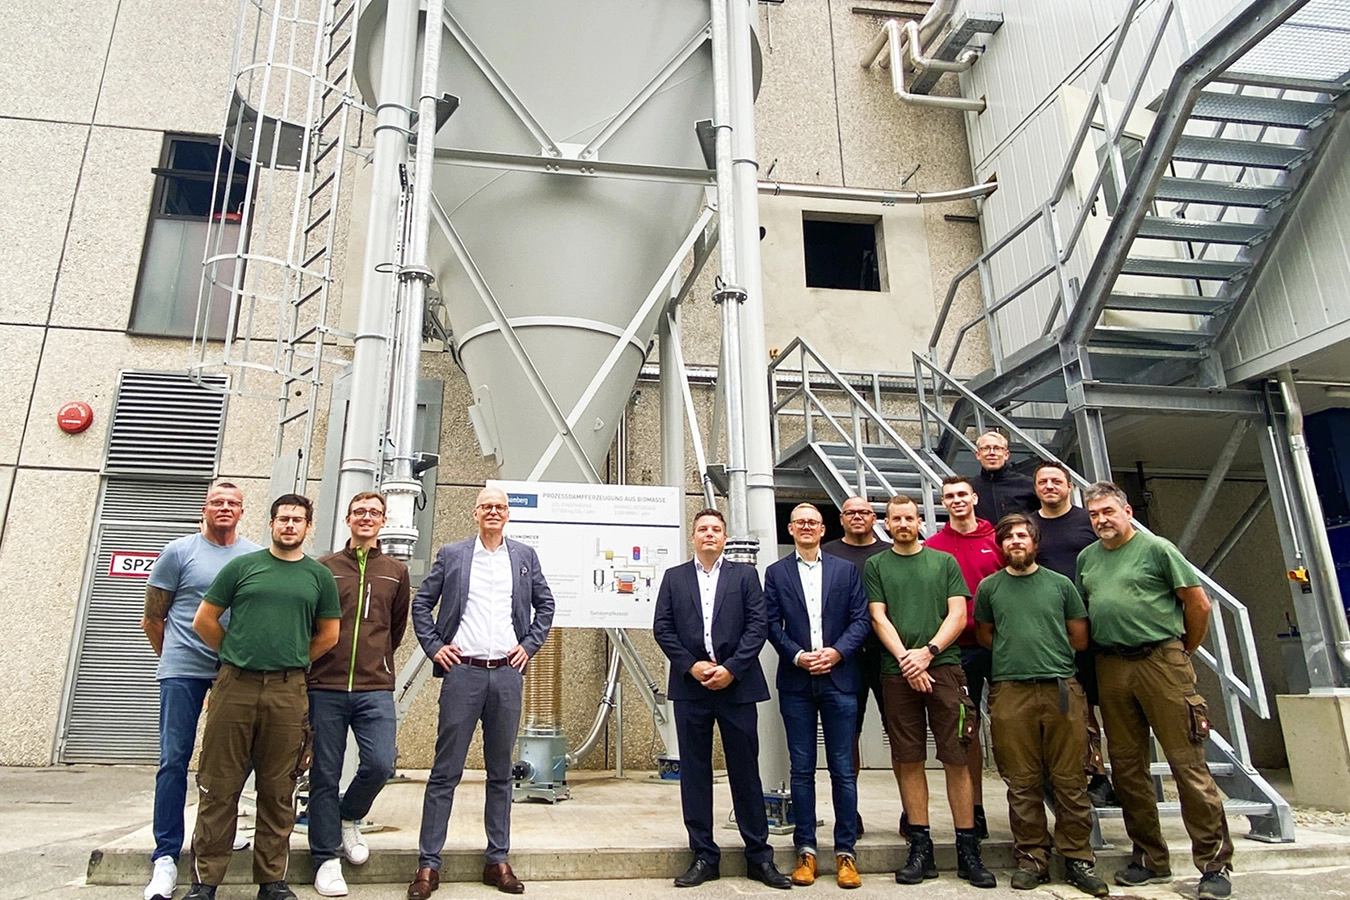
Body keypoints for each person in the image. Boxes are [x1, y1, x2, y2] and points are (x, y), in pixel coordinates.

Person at [1076, 482, 1233, 900]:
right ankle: (1149, 857)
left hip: (1160, 661)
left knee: (1187, 765)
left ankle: (1214, 864)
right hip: (1111, 665)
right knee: (1127, 769)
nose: (1101, 520)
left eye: (1108, 511)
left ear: (1127, 511)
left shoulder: (1157, 548)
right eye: (1093, 515)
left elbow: (1197, 604)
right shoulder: (1087, 559)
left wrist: (1183, 650)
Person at [185, 494, 342, 900]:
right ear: (271, 524)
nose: (289, 525)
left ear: (308, 527)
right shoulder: (242, 567)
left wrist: (288, 658)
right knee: (219, 786)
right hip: (235, 687)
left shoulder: (318, 577)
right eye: (282, 519)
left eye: (297, 520)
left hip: (289, 693)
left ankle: (271, 880)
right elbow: (204, 620)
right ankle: (205, 882)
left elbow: (329, 635)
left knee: (278, 788)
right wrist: (236, 652)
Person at [408, 486, 555, 899]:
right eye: (487, 506)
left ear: (508, 515)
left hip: (506, 675)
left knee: (501, 772)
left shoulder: (524, 557)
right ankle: (427, 865)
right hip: (463, 674)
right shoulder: (453, 554)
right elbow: (423, 604)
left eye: (500, 507)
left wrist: (528, 646)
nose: (494, 512)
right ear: (475, 513)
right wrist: (436, 647)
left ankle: (498, 859)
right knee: (445, 773)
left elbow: (546, 604)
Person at [652, 508, 792, 890]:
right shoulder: (674, 578)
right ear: (693, 537)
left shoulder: (745, 577)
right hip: (691, 688)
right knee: (694, 773)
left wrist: (731, 668)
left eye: (716, 529)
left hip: (737, 686)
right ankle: (703, 855)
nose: (709, 535)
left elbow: (757, 625)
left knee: (745, 771)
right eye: (702, 529)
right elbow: (662, 628)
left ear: (725, 537)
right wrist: (691, 666)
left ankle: (759, 857)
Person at [865, 494, 995, 889]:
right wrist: (907, 659)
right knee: (908, 759)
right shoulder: (877, 564)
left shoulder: (944, 562)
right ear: (886, 525)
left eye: (909, 517)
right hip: (896, 672)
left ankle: (967, 848)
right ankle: (920, 845)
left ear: (919, 520)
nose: (902, 523)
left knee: (957, 757)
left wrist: (929, 653)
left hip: (946, 669)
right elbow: (877, 615)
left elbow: (958, 614)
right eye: (895, 519)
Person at [974, 514, 1108, 897]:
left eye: (1022, 536)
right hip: (1010, 691)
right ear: (1001, 546)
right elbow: (986, 635)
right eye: (1009, 537)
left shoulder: (1061, 585)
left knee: (1070, 780)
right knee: (1022, 781)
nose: (1016, 542)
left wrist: (1047, 655)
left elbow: (1079, 638)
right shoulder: (989, 588)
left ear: (1035, 543)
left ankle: (1078, 859)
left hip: (1061, 689)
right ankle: (1032, 857)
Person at [140, 482, 260, 900]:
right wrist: (172, 659)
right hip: (183, 671)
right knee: (174, 759)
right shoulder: (179, 551)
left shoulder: (253, 555)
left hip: (233, 671)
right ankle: (166, 855)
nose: (224, 508)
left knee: (233, 761)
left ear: (242, 511)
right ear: (204, 509)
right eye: (217, 502)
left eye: (232, 503)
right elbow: (154, 617)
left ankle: (218, 834)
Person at [309, 492, 412, 897]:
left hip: (374, 687)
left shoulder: (395, 571)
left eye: (374, 512)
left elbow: (396, 629)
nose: (366, 518)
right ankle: (325, 859)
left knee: (379, 764)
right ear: (348, 519)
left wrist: (376, 661)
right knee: (324, 774)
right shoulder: (324, 569)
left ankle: (347, 817)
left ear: (383, 521)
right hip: (327, 687)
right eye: (359, 512)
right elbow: (312, 624)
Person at [765, 504, 872, 889]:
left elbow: (861, 619)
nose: (807, 527)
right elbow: (770, 623)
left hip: (840, 678)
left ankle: (846, 854)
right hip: (797, 681)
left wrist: (837, 652)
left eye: (813, 522)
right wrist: (797, 655)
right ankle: (806, 851)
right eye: (800, 522)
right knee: (802, 769)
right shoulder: (776, 573)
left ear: (823, 529)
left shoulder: (846, 571)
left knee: (843, 770)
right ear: (791, 529)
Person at [924, 475, 1004, 840]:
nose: (956, 500)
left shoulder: (997, 540)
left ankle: (1022, 806)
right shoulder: (935, 546)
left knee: (1008, 728)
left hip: (1000, 647)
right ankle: (975, 809)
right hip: (957, 652)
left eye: (962, 494)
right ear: (943, 503)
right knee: (966, 732)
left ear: (973, 498)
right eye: (949, 496)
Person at [1032, 461, 1113, 806]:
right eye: (1043, 482)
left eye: (1056, 481)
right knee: (1072, 705)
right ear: (1035, 488)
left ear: (1069, 487)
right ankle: (1091, 770)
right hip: (1051, 630)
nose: (1050, 486)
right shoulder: (1029, 526)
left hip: (1094, 626)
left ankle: (1110, 775)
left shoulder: (1088, 521)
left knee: (1104, 702)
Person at [821, 496, 889, 836]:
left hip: (889, 655)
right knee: (848, 737)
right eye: (851, 513)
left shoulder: (890, 552)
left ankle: (912, 815)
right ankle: (850, 813)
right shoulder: (828, 553)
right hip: (844, 658)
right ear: (841, 519)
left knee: (902, 737)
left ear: (874, 517)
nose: (858, 517)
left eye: (864, 512)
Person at [972, 431, 1037, 525]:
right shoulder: (971, 488)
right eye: (986, 448)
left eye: (997, 448)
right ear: (978, 455)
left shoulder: (1027, 484)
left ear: (1006, 454)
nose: (992, 453)